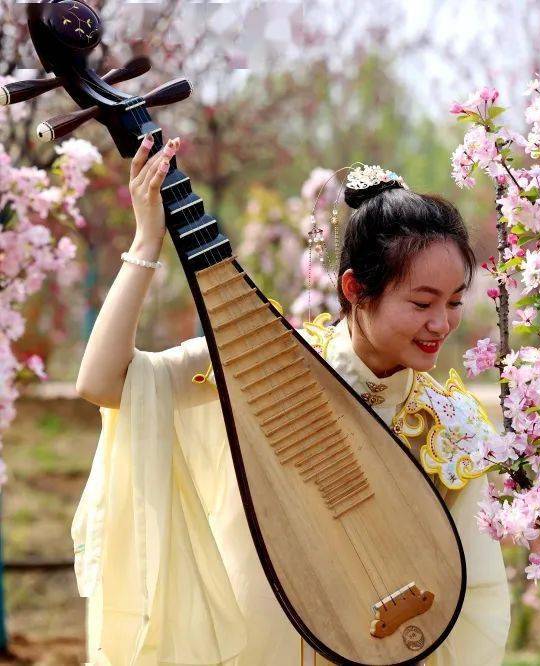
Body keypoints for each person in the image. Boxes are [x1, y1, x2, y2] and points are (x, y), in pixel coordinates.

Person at [72, 135, 510, 665]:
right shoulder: (264, 358)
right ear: (354, 289)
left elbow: (475, 598)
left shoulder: (451, 425)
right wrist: (145, 244)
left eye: (455, 302)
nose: (441, 324)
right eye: (422, 302)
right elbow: (103, 382)